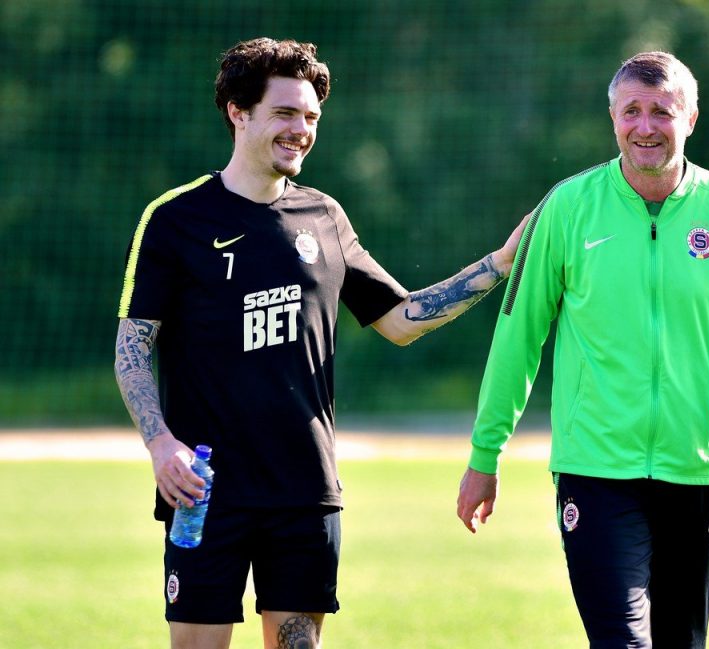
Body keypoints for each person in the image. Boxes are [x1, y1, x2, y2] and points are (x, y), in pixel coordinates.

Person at [114, 37, 525, 649]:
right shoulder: (175, 219)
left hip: (305, 491)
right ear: (238, 112)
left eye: (311, 117)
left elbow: (401, 318)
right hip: (205, 489)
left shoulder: (324, 217)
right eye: (285, 113)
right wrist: (160, 442)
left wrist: (501, 261)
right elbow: (132, 347)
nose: (301, 130)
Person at [456, 51, 709, 649]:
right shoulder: (568, 207)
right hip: (596, 470)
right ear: (612, 117)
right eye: (631, 110)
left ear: (690, 119)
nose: (645, 126)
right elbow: (518, 337)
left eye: (662, 111)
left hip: (697, 466)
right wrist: (486, 453)